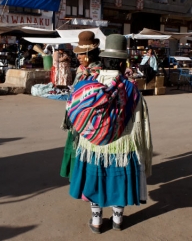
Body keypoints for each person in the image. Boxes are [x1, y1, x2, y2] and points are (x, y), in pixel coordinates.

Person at [67, 34, 153, 233]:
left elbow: (73, 113)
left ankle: (96, 221)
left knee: (95, 181)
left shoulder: (87, 84)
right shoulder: (131, 89)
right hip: (122, 147)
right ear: (123, 63)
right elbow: (140, 123)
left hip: (92, 146)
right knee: (118, 183)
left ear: (103, 60)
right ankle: (117, 220)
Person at [60, 31, 102, 180]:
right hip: (76, 119)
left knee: (86, 151)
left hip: (88, 121)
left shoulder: (98, 72)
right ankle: (78, 179)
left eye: (81, 54)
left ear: (89, 54)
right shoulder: (82, 71)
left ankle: (86, 182)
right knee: (75, 148)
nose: (78, 57)